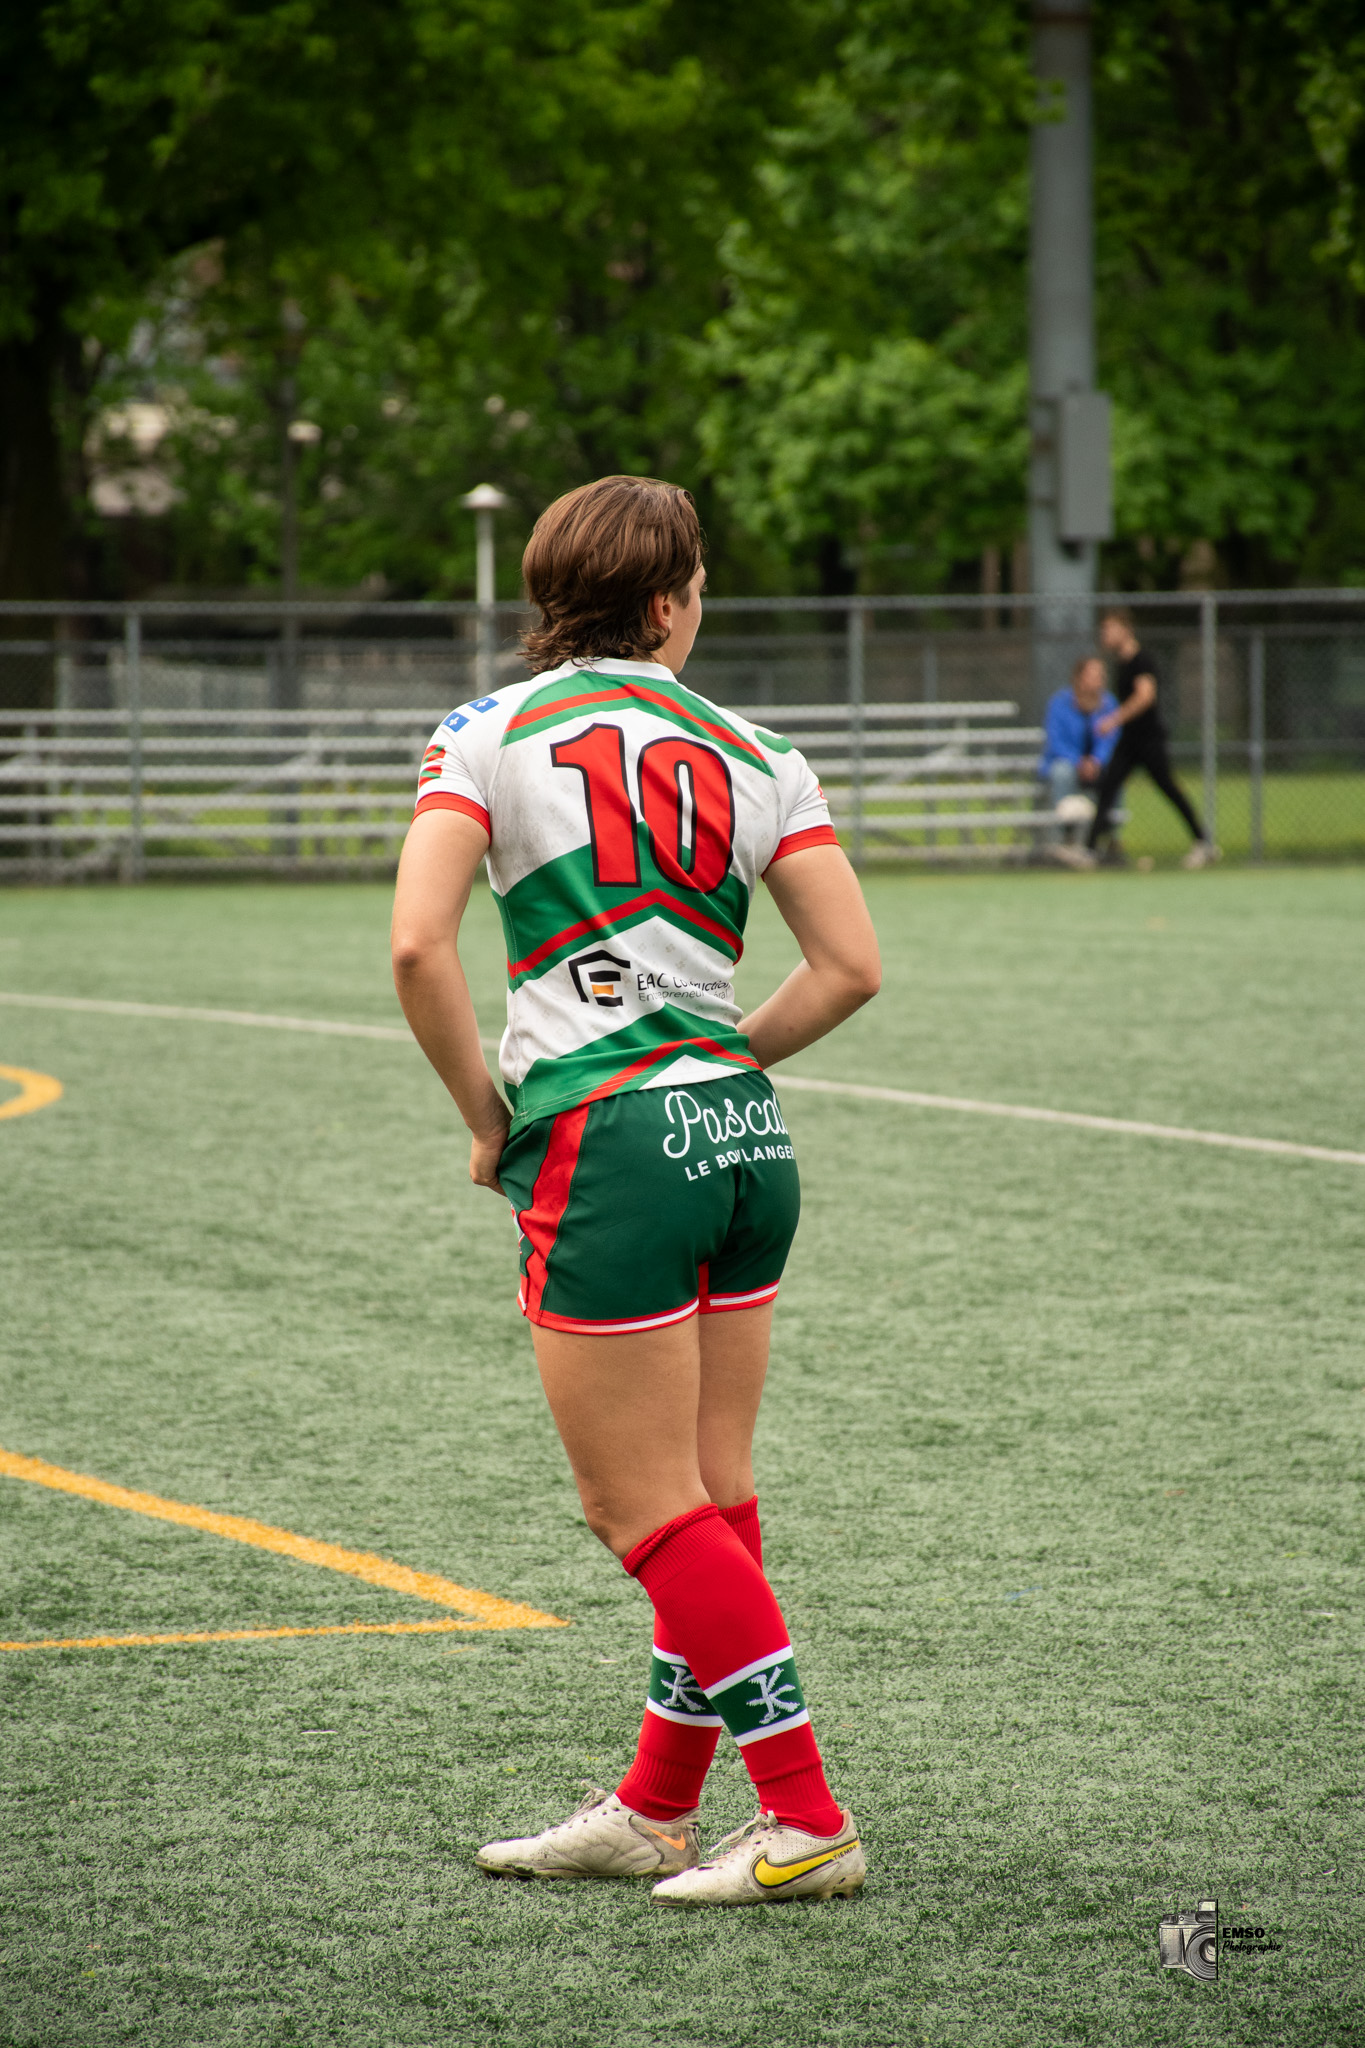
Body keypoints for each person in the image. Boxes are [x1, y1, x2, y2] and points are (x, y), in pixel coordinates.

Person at [391, 476, 881, 1907]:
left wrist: (489, 1119)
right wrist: (721, 1048)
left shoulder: (484, 733)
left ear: (555, 594)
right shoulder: (758, 746)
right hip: (742, 1140)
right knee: (711, 1496)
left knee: (639, 1512)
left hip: (606, 1145)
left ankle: (806, 1817)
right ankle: (659, 1807)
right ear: (667, 600)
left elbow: (421, 949)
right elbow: (850, 967)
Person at [1065, 609, 1219, 870]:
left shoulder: (1141, 660)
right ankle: (1090, 850)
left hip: (1148, 740)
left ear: (1126, 630)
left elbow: (1145, 696)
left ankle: (1204, 842)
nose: (1106, 635)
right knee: (1108, 788)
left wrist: (1113, 720)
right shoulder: (1121, 663)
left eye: (1111, 629)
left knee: (1168, 788)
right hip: (1130, 741)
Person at [1038, 655, 1118, 846]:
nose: (1099, 680)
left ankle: (1109, 837)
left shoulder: (1108, 704)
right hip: (1068, 764)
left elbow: (1110, 739)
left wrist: (1096, 761)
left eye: (1101, 675)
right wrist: (1079, 762)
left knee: (1116, 772)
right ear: (1079, 678)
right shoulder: (1060, 703)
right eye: (1093, 675)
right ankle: (1065, 834)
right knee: (1062, 772)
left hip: (1095, 767)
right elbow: (1056, 741)